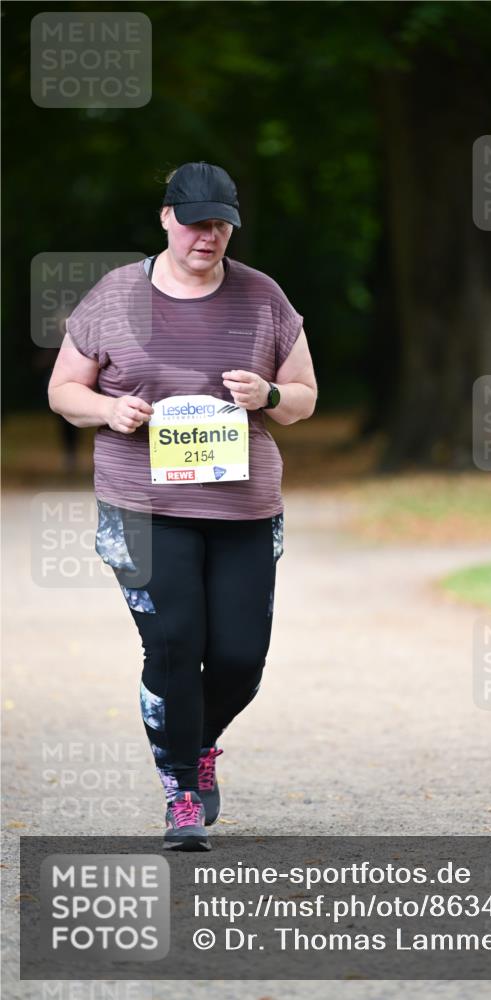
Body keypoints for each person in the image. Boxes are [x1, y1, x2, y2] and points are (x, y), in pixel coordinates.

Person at [48, 161, 317, 850]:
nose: (208, 235)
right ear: (166, 217)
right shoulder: (113, 296)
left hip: (242, 509)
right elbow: (64, 392)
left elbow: (305, 396)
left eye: (221, 223)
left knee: (239, 658)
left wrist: (271, 397)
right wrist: (111, 409)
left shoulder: (262, 298)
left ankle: (197, 745)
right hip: (142, 505)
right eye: (196, 220)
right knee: (173, 644)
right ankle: (180, 792)